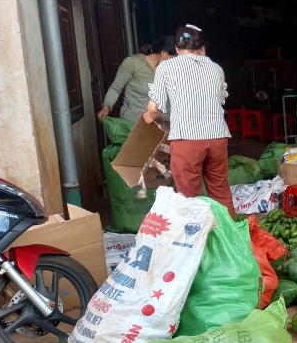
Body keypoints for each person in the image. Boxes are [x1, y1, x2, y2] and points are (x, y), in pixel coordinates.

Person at [144, 25, 235, 219]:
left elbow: (155, 108)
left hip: (186, 138)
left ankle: (195, 236)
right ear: (203, 48)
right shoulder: (216, 69)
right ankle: (230, 233)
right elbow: (219, 101)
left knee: (188, 197)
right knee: (220, 190)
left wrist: (150, 116)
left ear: (177, 49)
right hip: (217, 137)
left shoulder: (166, 67)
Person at [97, 36, 176, 121]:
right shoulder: (132, 63)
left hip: (162, 123)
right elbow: (116, 87)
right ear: (163, 53)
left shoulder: (170, 69)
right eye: (174, 58)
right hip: (133, 122)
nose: (176, 62)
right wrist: (106, 107)